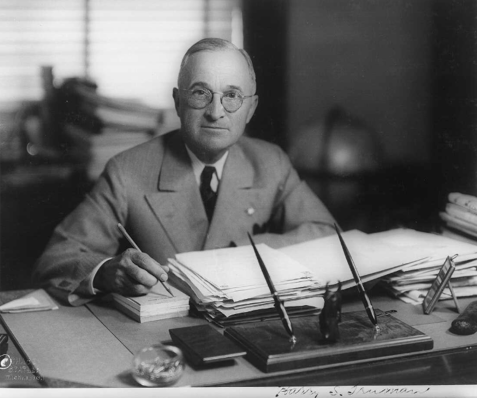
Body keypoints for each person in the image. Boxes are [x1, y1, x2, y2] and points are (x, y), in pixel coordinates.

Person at [33, 38, 336, 305]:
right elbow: (57, 258)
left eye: (231, 96)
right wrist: (105, 272)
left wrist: (245, 255)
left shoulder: (271, 162)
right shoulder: (127, 171)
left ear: (251, 108)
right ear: (178, 102)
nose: (216, 112)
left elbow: (327, 235)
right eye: (201, 94)